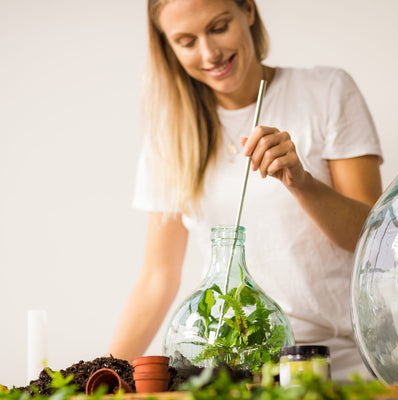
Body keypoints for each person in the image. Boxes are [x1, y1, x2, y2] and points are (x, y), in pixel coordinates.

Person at [108, 0, 383, 381]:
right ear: (168, 47)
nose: (209, 53)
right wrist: (97, 375)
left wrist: (300, 182)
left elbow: (372, 241)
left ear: (248, 11)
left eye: (219, 27)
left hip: (337, 363)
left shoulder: (326, 90)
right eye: (186, 41)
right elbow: (158, 277)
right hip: (233, 371)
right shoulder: (170, 132)